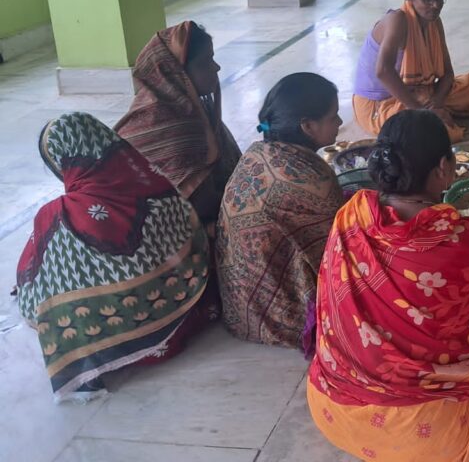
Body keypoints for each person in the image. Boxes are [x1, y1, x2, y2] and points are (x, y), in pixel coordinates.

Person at [307, 109, 469, 462]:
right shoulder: (465, 238)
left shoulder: (351, 216)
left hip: (333, 406)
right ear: (443, 169)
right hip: (427, 432)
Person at [14, 113, 212, 401]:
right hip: (186, 317)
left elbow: (32, 275)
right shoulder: (156, 186)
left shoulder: (61, 215)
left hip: (120, 346)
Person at [217, 73, 344, 348]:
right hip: (280, 318)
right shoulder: (312, 182)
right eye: (334, 116)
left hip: (240, 308)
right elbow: (341, 249)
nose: (340, 122)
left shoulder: (257, 152)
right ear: (308, 126)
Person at [116, 21, 241, 225]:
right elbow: (201, 204)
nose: (216, 68)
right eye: (205, 62)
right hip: (171, 233)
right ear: (175, 72)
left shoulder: (196, 110)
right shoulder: (173, 124)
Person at [352, 0, 469, 143]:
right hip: (379, 103)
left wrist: (436, 102)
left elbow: (448, 74)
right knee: (434, 131)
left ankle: (428, 111)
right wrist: (423, 111)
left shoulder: (434, 21)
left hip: (420, 92)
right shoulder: (398, 20)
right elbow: (383, 71)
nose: (435, 5)